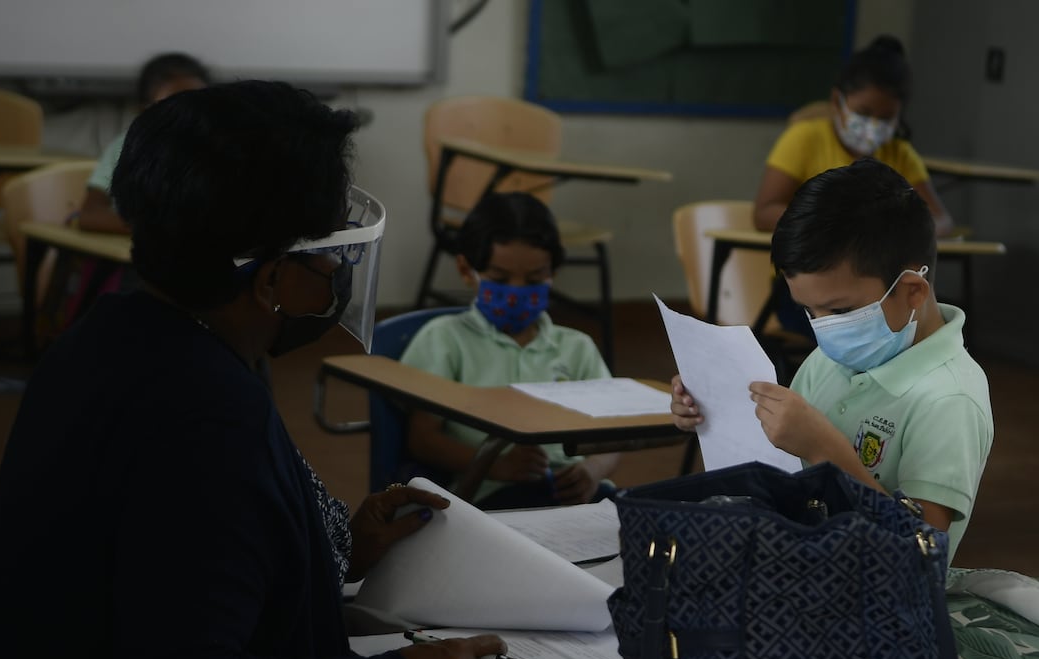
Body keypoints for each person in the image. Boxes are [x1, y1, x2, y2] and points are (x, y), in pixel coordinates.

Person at [0, 80, 506, 659]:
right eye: (328, 252)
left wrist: (329, 552)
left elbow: (161, 568)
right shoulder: (205, 411)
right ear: (270, 280)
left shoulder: (109, 339)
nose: (337, 271)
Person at [673, 158, 992, 560]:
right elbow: (780, 466)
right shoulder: (830, 360)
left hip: (874, 606)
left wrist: (828, 452)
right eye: (809, 312)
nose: (824, 330)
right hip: (799, 566)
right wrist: (713, 407)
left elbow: (918, 554)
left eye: (840, 312)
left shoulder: (949, 400)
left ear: (912, 291)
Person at [400, 191, 620, 510]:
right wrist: (498, 465)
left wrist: (593, 469)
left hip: (575, 496)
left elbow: (612, 434)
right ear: (466, 270)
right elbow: (422, 440)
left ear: (553, 272)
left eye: (534, 278)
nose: (516, 291)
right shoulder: (443, 340)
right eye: (500, 278)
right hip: (487, 496)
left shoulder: (577, 347)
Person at [752, 35, 954, 339]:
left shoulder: (901, 155)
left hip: (877, 295)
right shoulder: (804, 139)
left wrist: (897, 230)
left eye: (885, 118)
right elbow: (764, 212)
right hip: (813, 288)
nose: (873, 125)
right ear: (837, 101)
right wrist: (840, 227)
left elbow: (941, 220)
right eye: (864, 112)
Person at [78, 52, 212, 234]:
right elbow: (89, 216)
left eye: (198, 106)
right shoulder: (125, 148)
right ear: (145, 110)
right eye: (173, 108)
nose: (187, 117)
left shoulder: (214, 150)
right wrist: (156, 230)